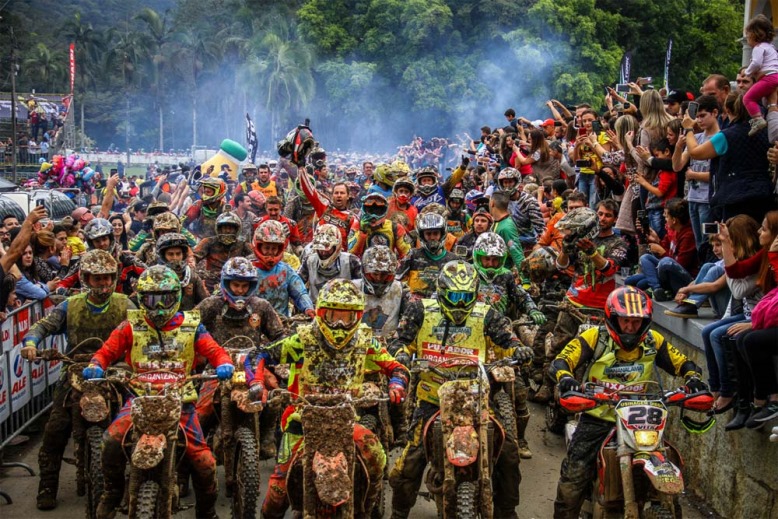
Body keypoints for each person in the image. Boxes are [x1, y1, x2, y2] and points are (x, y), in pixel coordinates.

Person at [83, 266, 234, 519]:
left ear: (176, 295)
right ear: (142, 298)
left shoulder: (191, 325)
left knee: (205, 463)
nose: (159, 305)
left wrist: (224, 364)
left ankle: (206, 510)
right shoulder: (131, 324)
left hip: (181, 402)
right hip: (139, 399)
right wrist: (95, 365)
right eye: (152, 298)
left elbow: (215, 350)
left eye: (165, 297)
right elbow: (106, 351)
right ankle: (112, 491)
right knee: (110, 441)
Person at [388, 261, 531, 519]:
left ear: (475, 295)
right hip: (432, 399)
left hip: (476, 399)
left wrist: (518, 348)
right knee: (410, 462)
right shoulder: (421, 309)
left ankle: (507, 511)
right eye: (454, 296)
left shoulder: (486, 313)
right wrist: (402, 355)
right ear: (442, 293)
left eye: (466, 297)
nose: (459, 303)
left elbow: (506, 338)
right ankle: (399, 511)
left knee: (509, 454)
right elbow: (400, 339)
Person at [551, 286, 707, 519]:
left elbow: (682, 363)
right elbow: (562, 360)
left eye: (636, 322)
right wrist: (566, 380)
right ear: (613, 318)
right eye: (625, 321)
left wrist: (693, 379)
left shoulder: (654, 341)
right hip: (598, 416)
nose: (631, 328)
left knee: (668, 464)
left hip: (641, 419)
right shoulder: (595, 337)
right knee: (574, 478)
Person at [259, 279, 409, 519]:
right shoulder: (302, 340)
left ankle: (366, 509)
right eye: (333, 315)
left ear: (357, 316)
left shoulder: (364, 342)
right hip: (302, 422)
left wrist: (397, 382)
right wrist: (258, 382)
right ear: (321, 313)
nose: (340, 324)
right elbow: (262, 356)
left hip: (346, 422)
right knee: (277, 491)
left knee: (377, 458)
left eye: (347, 317)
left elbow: (395, 366)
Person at [21, 250, 133, 511]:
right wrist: (30, 343)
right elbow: (42, 326)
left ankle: (133, 486)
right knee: (55, 430)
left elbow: (142, 330)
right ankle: (47, 486)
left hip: (115, 371)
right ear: (85, 278)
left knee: (135, 425)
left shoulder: (126, 304)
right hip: (74, 370)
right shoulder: (70, 305)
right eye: (97, 279)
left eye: (107, 278)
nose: (103, 284)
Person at [534, 202, 628, 403]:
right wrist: (566, 248)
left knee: (594, 353)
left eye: (608, 215)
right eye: (600, 214)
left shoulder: (618, 244)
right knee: (558, 346)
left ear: (614, 219)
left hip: (600, 308)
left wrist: (593, 252)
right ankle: (547, 386)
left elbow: (609, 269)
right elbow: (561, 265)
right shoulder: (580, 237)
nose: (603, 218)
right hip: (573, 302)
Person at [195, 257, 286, 459]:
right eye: (235, 285)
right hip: (218, 366)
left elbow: (280, 336)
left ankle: (267, 438)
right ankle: (197, 450)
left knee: (276, 395)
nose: (240, 291)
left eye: (245, 286)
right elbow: (188, 328)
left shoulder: (261, 306)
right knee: (202, 409)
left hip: (254, 364)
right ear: (226, 284)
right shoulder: (211, 305)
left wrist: (269, 352)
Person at [684, 91, 776, 222]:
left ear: (726, 109)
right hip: (763, 193)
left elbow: (695, 152)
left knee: (735, 239)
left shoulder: (726, 136)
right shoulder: (764, 131)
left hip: (734, 196)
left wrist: (688, 129)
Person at [625, 198, 699, 300]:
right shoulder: (672, 231)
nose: (664, 217)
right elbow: (664, 248)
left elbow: (679, 265)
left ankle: (657, 288)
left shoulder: (688, 235)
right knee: (636, 273)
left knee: (664, 262)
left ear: (674, 219)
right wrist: (656, 240)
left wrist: (662, 252)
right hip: (665, 272)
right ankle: (657, 289)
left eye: (666, 215)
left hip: (682, 278)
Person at [251, 220, 315, 318]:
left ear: (280, 249)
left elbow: (300, 293)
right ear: (259, 247)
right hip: (254, 321)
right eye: (267, 248)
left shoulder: (285, 270)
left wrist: (308, 308)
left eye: (274, 249)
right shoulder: (249, 270)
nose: (270, 252)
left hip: (281, 323)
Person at [396, 212, 458, 298]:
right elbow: (397, 281)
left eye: (435, 233)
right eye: (428, 234)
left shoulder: (454, 260)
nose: (432, 237)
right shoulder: (412, 255)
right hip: (414, 307)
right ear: (422, 235)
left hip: (443, 307)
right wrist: (409, 294)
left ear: (442, 234)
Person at [354, 245, 411, 338]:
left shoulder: (401, 290)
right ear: (365, 272)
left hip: (390, 346)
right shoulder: (353, 289)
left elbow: (408, 327)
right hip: (357, 345)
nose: (378, 278)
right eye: (374, 274)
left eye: (384, 275)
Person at [299, 223, 361, 302]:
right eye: (320, 249)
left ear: (336, 246)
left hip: (345, 308)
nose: (323, 253)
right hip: (315, 309)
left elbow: (362, 285)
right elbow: (296, 282)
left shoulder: (351, 261)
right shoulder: (309, 260)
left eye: (327, 249)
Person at [193, 211, 253, 292]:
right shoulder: (209, 242)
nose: (227, 231)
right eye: (225, 228)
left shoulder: (243, 244)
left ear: (236, 230)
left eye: (230, 228)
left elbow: (255, 258)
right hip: (211, 284)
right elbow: (193, 257)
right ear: (219, 229)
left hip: (235, 283)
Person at [742, 15, 778, 136]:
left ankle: (758, 119)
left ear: (754, 35)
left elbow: (756, 63)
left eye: (747, 35)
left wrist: (747, 72)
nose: (747, 38)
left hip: (768, 78)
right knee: (764, 100)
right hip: (774, 77)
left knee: (747, 98)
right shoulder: (771, 48)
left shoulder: (758, 47)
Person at [348, 192, 411, 260]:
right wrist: (362, 232)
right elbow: (351, 254)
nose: (373, 215)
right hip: (364, 268)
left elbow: (407, 254)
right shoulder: (357, 226)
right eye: (370, 209)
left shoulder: (395, 227)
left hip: (389, 268)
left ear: (385, 210)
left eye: (378, 210)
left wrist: (398, 267)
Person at [156, 232, 208, 310]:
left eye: (178, 254)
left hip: (187, 320)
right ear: (163, 256)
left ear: (183, 255)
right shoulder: (154, 275)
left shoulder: (192, 276)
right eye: (170, 254)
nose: (175, 258)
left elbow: (204, 302)